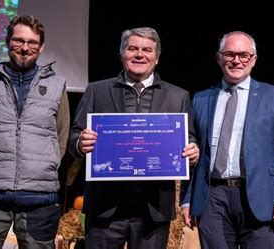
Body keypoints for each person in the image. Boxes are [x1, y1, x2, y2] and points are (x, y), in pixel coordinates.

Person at [68, 27, 199, 249]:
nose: (139, 54)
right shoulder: (96, 91)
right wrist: (80, 143)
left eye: (147, 50)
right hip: (105, 208)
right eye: (132, 48)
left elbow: (189, 138)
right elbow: (73, 137)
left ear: (156, 58)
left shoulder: (178, 96)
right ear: (122, 54)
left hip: (153, 209)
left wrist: (192, 152)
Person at [181, 31, 274, 248]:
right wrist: (187, 199)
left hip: (260, 197)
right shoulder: (200, 98)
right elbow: (193, 155)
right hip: (212, 199)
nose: (236, 60)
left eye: (244, 55)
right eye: (230, 54)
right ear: (219, 58)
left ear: (254, 60)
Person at [0, 15, 70, 248]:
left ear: (41, 47)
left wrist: (44, 166)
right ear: (7, 42)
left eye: (32, 42)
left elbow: (60, 136)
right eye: (18, 40)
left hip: (39, 195)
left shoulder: (56, 85)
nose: (25, 48)